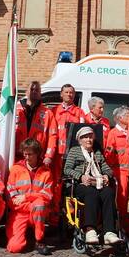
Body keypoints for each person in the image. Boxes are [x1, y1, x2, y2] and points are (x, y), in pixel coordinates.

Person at [63, 126, 120, 245]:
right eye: (85, 137)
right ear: (80, 140)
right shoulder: (75, 151)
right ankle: (90, 230)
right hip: (79, 184)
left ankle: (109, 232)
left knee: (109, 193)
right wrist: (81, 176)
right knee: (91, 192)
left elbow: (108, 169)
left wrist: (106, 176)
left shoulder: (97, 153)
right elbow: (67, 169)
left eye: (90, 137)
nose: (88, 140)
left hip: (97, 182)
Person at [6, 138, 54, 255]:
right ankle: (25, 233)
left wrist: (26, 197)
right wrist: (30, 204)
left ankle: (39, 240)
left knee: (40, 205)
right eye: (25, 154)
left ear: (37, 154)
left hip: (36, 211)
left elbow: (47, 196)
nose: (26, 157)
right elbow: (11, 196)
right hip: (20, 212)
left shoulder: (46, 172)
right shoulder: (16, 169)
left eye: (30, 154)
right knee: (14, 247)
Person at [52, 84, 83, 225]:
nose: (69, 95)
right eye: (66, 92)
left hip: (72, 156)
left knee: (71, 185)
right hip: (57, 154)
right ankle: (54, 217)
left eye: (71, 92)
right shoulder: (53, 111)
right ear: (61, 94)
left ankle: (70, 218)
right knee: (56, 185)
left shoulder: (79, 112)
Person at [104, 106, 129, 237]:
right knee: (121, 202)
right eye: (128, 115)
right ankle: (121, 229)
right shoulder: (113, 134)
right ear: (120, 118)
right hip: (120, 172)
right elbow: (109, 156)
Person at [15, 81, 57, 164]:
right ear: (26, 92)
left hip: (37, 158)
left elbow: (53, 136)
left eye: (37, 90)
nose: (34, 92)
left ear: (40, 93)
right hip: (17, 156)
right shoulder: (15, 110)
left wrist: (49, 156)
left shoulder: (47, 113)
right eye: (32, 89)